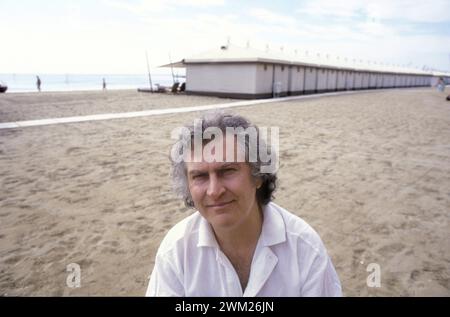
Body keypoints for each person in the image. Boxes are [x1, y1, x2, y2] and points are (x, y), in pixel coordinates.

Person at [146, 111, 342, 297]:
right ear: (188, 185)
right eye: (200, 176)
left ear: (257, 176)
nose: (214, 191)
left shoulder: (304, 247)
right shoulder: (176, 251)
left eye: (228, 170)